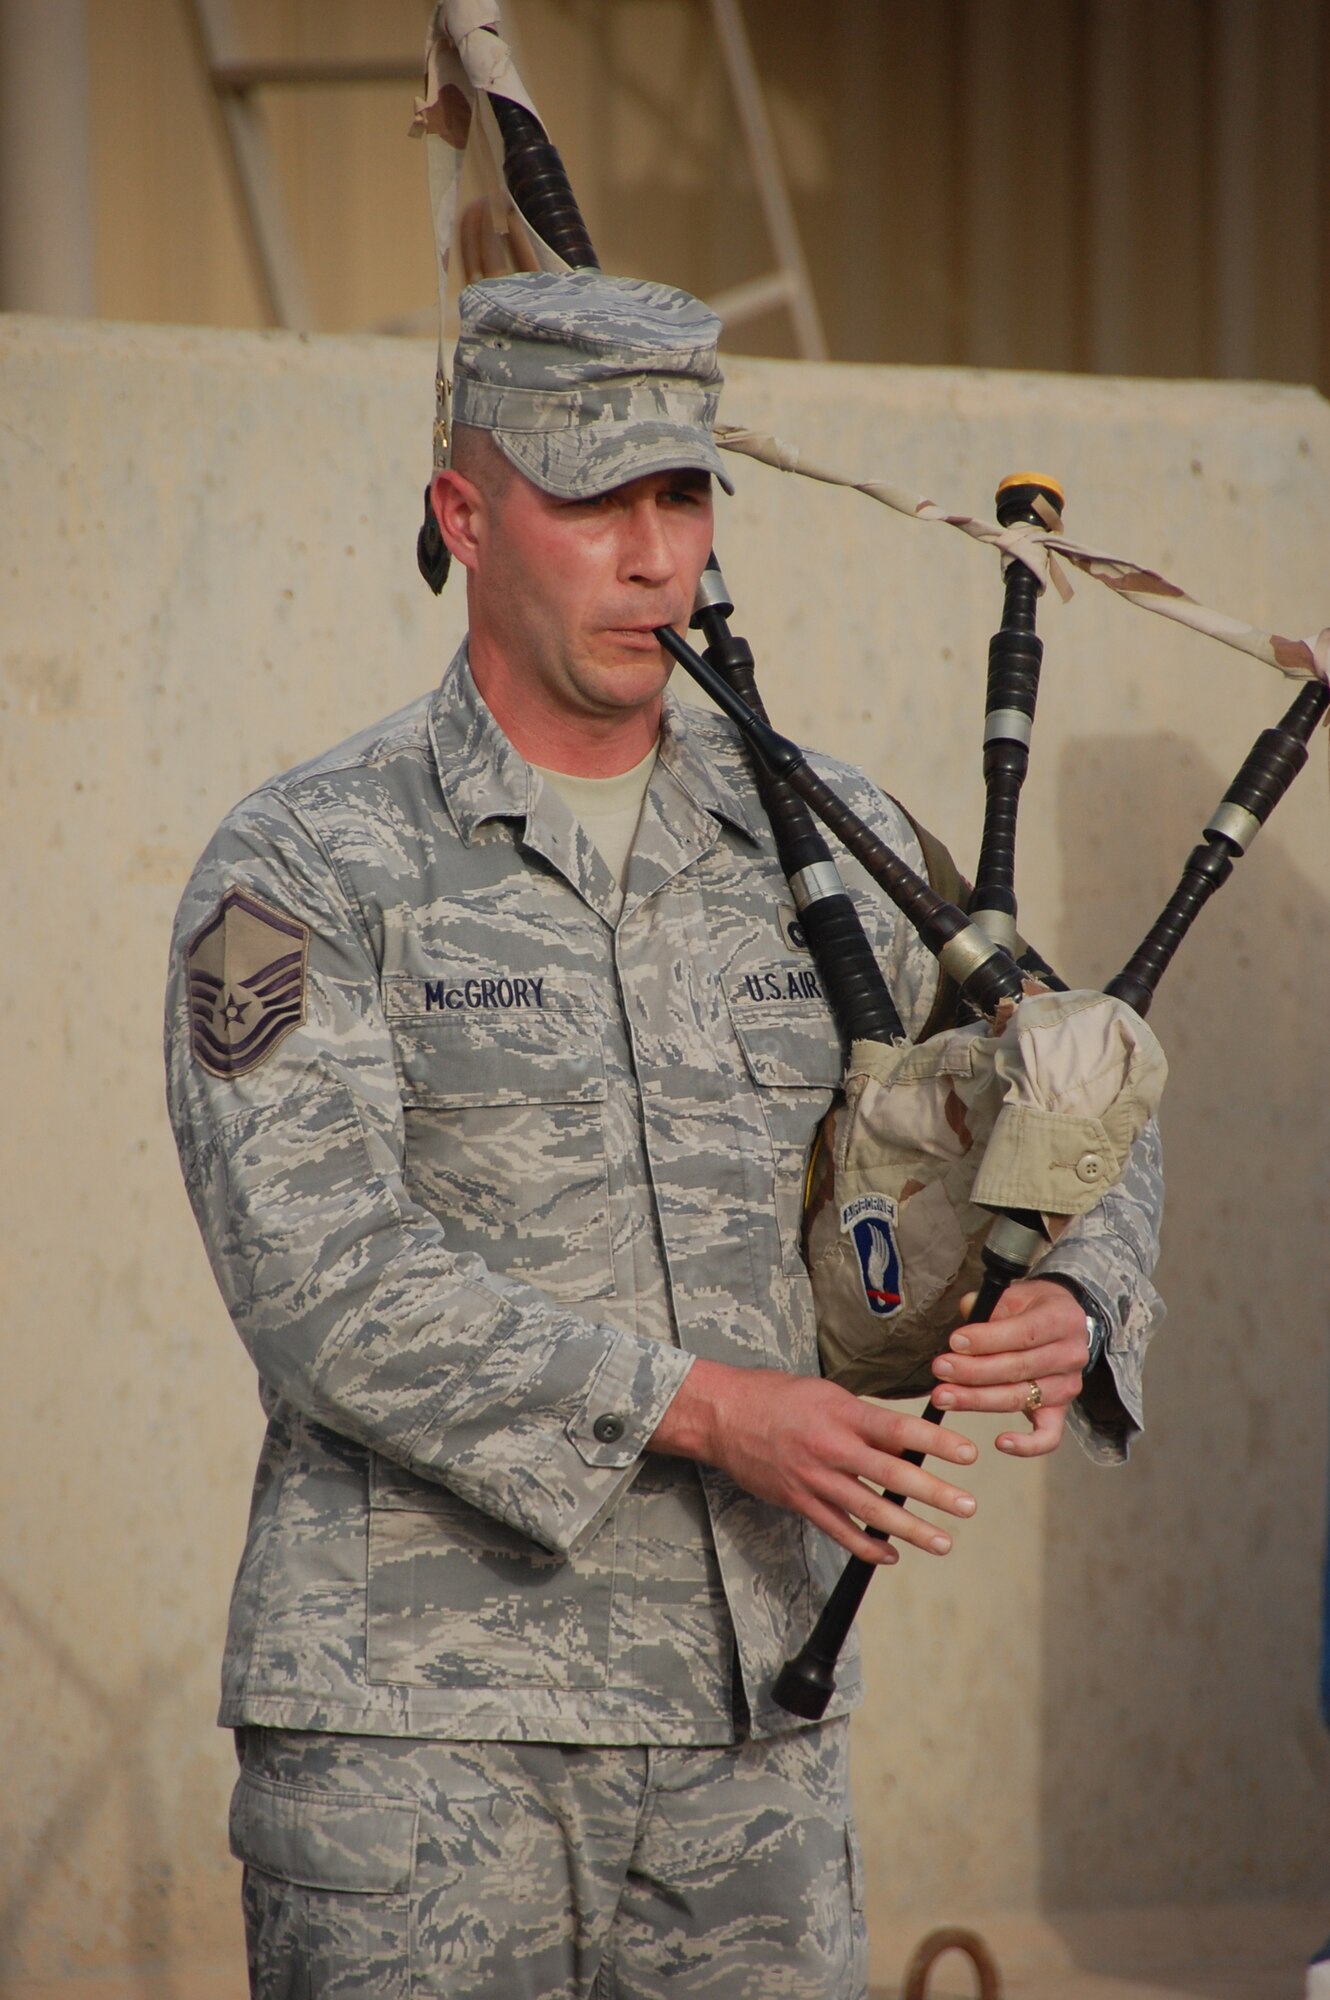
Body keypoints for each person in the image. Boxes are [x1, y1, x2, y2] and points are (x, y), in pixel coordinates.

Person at [165, 270, 1164, 2000]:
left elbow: (1082, 1080)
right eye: (590, 500)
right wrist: (713, 1412)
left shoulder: (828, 834)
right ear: (465, 515)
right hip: (420, 1752)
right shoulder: (302, 867)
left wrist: (1073, 1300)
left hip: (745, 1758)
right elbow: (318, 1275)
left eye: (682, 495)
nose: (652, 557)